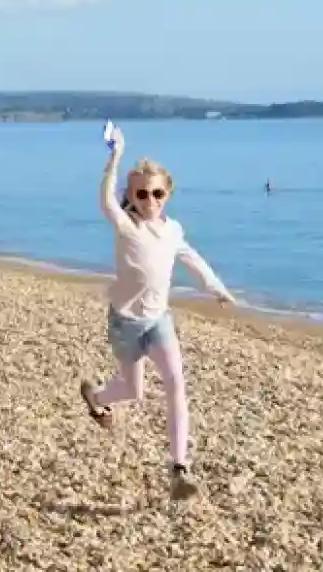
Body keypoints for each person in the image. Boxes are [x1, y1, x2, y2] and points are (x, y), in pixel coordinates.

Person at [76, 130, 237, 500]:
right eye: (141, 193)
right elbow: (105, 201)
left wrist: (215, 288)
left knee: (177, 383)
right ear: (131, 196)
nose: (150, 200)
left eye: (157, 193)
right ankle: (97, 398)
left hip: (158, 321)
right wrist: (115, 160)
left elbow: (190, 258)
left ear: (168, 195)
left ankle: (179, 468)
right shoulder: (126, 226)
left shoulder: (173, 229)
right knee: (133, 391)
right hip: (125, 323)